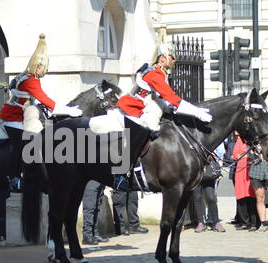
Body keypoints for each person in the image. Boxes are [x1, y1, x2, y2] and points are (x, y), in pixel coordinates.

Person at [106, 39, 213, 191]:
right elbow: (171, 97)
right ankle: (121, 174)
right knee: (147, 128)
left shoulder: (161, 74)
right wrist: (196, 111)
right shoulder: (154, 74)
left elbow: (164, 100)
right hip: (132, 109)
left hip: (145, 107)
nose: (174, 60)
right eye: (172, 57)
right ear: (162, 58)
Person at [0, 34, 82, 192]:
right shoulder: (31, 80)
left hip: (20, 115)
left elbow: (32, 99)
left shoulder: (25, 76)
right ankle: (14, 178)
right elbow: (47, 100)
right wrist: (70, 111)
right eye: (44, 68)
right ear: (37, 67)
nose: (46, 71)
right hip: (13, 118)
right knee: (21, 144)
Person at [193, 144, 226, 233]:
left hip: (208, 173)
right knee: (197, 198)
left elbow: (216, 154)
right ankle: (200, 223)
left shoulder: (208, 141)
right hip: (196, 173)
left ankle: (216, 222)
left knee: (211, 198)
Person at [232, 133, 259, 231]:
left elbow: (256, 154)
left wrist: (244, 155)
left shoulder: (254, 140)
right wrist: (245, 155)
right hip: (240, 172)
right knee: (241, 197)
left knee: (252, 197)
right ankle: (244, 222)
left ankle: (254, 223)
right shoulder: (240, 140)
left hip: (251, 172)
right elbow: (235, 155)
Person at [81, 181, 109, 245]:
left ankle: (95, 234)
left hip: (100, 182)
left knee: (96, 208)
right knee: (89, 208)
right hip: (91, 181)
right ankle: (87, 235)